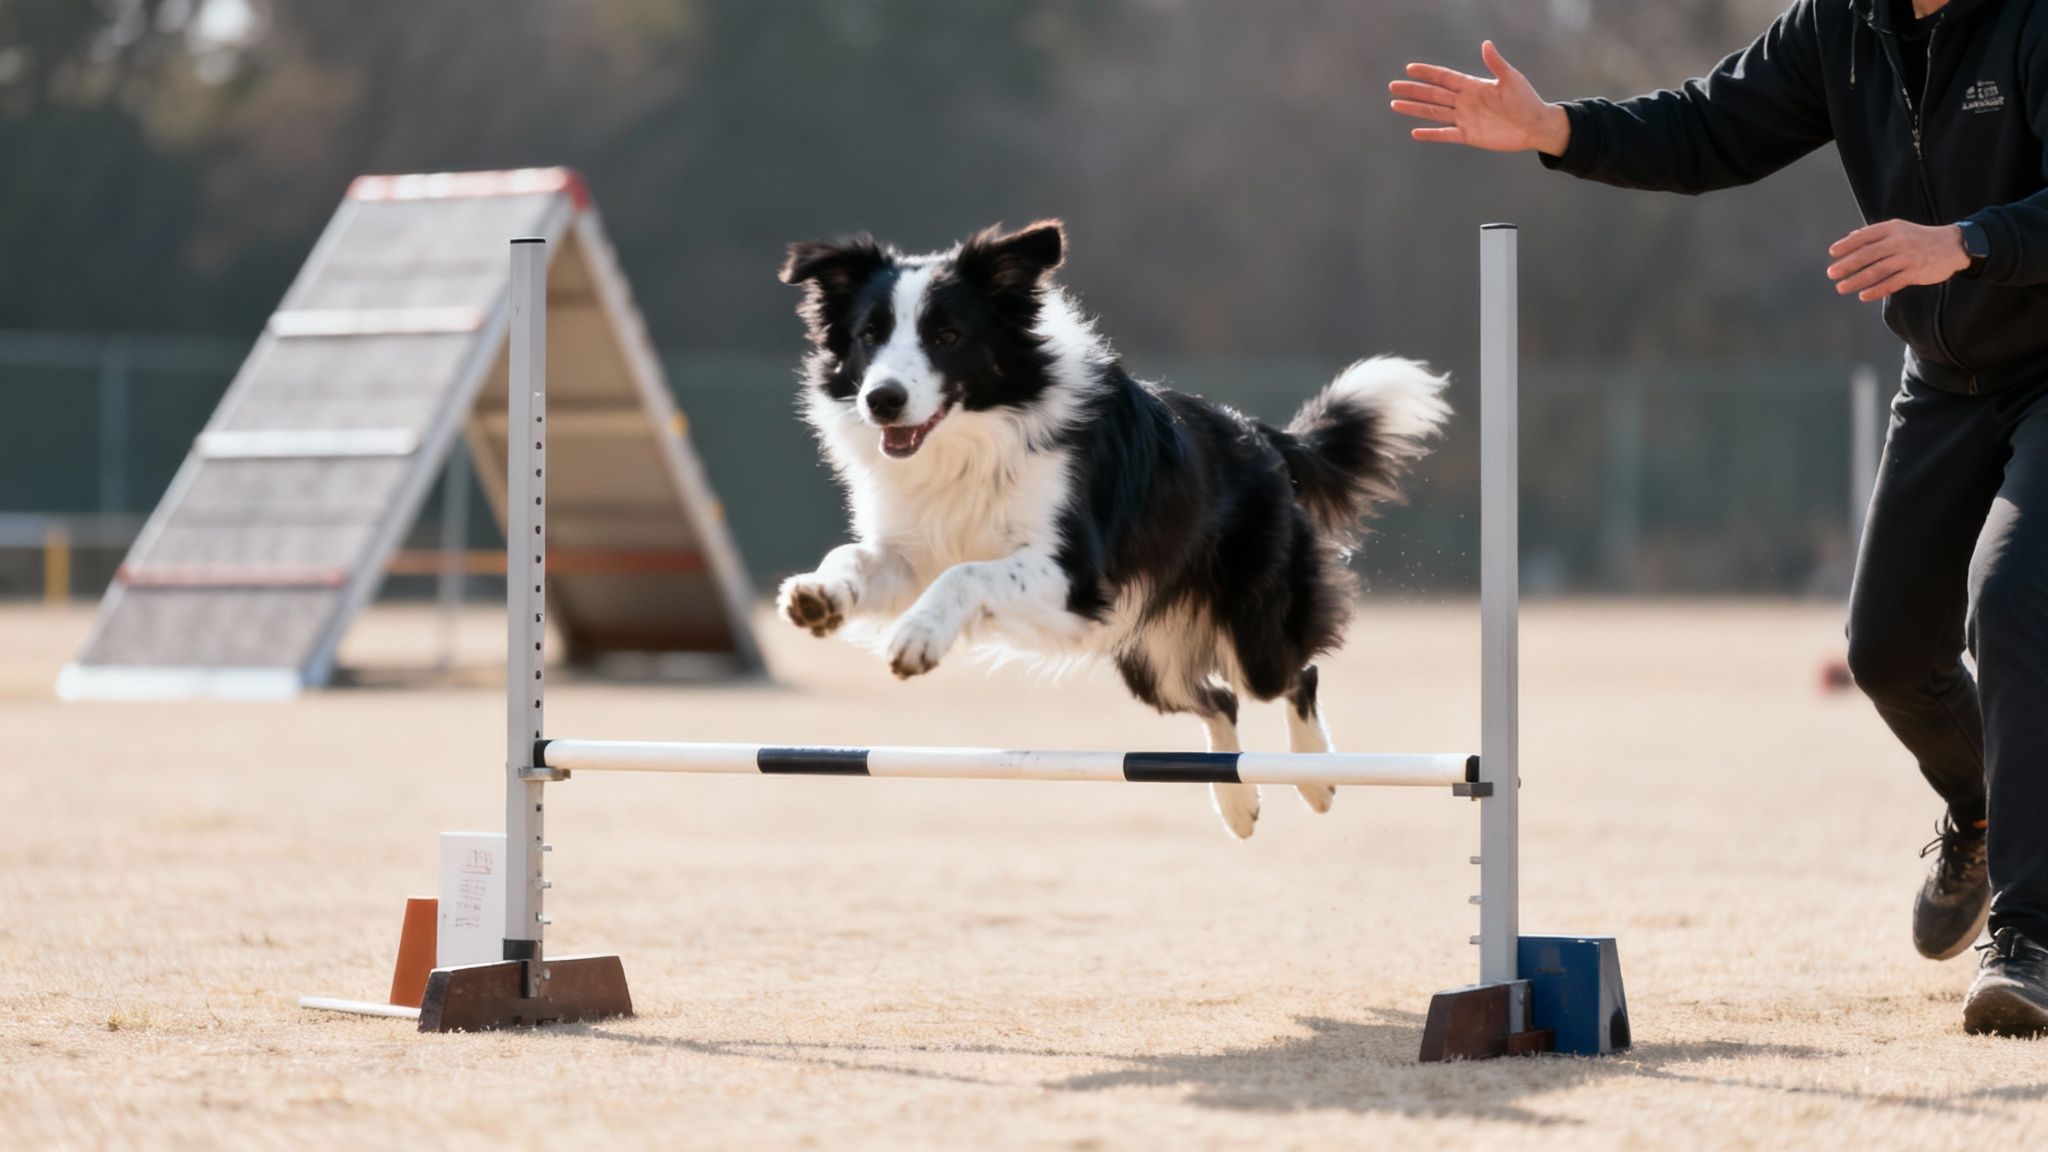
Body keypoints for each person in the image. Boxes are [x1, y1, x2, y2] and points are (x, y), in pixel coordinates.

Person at [1392, 0, 2048, 1036]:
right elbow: (1705, 129)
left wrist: (1968, 241)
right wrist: (1554, 128)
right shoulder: (1840, 24)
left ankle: (2030, 934)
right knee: (1884, 651)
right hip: (1947, 374)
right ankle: (1980, 808)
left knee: (2010, 597)